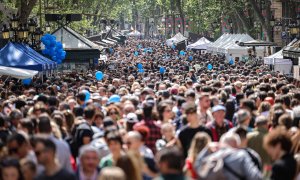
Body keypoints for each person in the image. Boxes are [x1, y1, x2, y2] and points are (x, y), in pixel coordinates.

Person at [195, 132, 263, 180]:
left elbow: (197, 166)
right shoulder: (241, 155)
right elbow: (255, 177)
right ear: (237, 145)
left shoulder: (211, 157)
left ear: (221, 142)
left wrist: (207, 148)